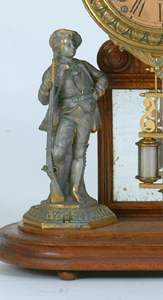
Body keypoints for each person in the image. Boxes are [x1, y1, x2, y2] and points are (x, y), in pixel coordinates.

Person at [38, 29, 108, 205]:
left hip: (86, 111)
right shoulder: (52, 71)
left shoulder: (83, 65)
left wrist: (96, 93)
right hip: (67, 113)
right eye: (68, 45)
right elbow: (43, 100)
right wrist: (46, 87)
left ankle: (76, 191)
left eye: (73, 45)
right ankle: (58, 189)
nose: (72, 48)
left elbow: (102, 78)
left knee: (80, 151)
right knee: (58, 152)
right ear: (58, 48)